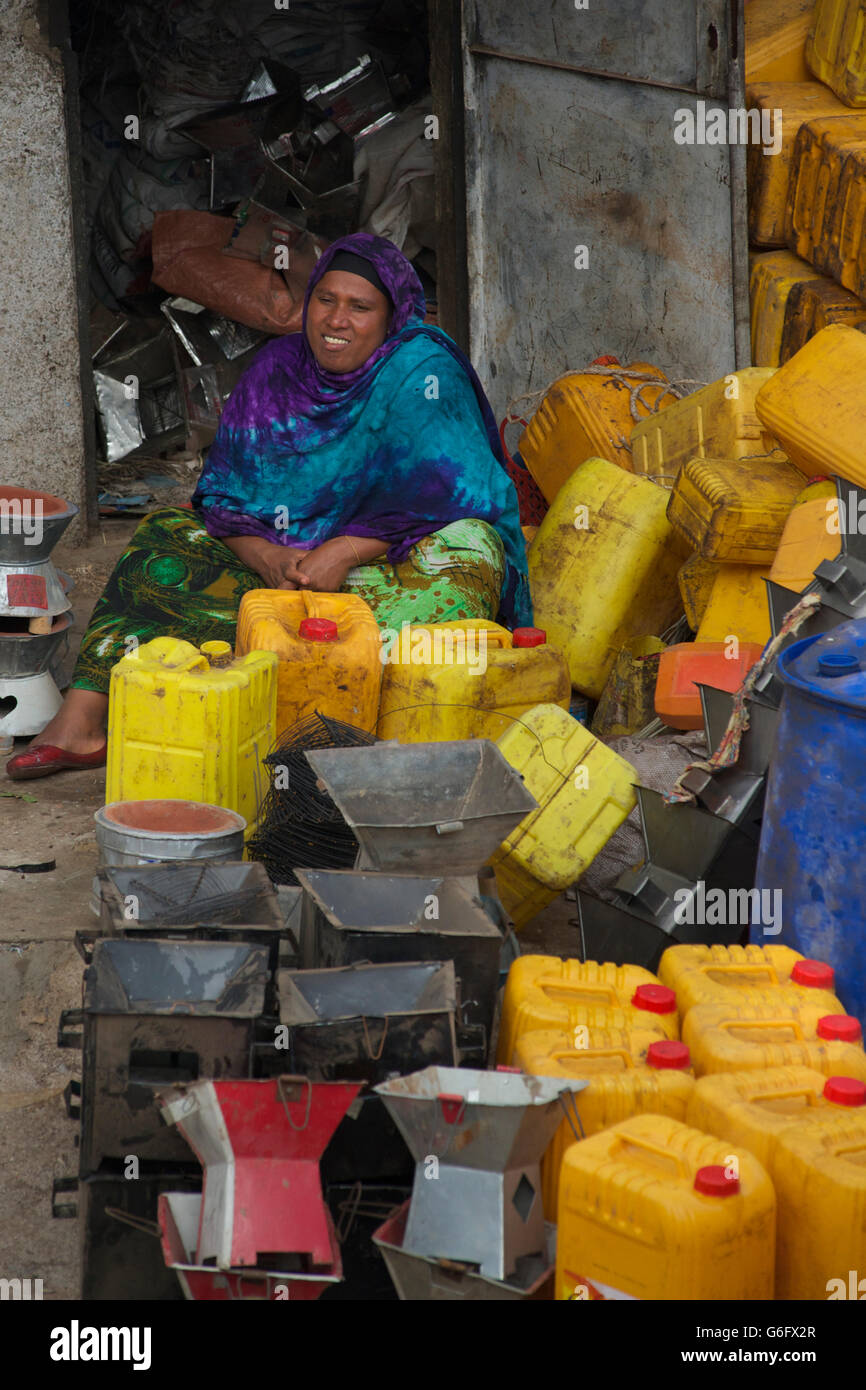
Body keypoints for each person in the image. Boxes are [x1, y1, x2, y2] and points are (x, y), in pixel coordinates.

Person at [6, 233, 531, 781]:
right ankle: (82, 723)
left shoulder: (422, 371)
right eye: (326, 299)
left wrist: (345, 550)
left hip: (387, 567)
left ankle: (326, 718)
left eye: (360, 307)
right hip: (285, 571)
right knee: (166, 537)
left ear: (391, 315)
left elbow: (459, 493)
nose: (337, 320)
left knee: (471, 554)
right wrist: (267, 557)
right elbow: (224, 496)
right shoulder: (278, 369)